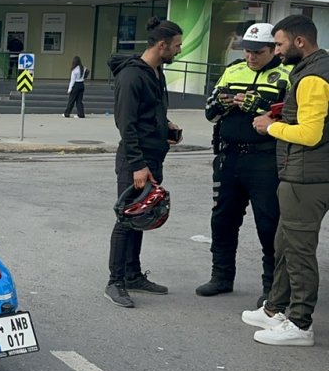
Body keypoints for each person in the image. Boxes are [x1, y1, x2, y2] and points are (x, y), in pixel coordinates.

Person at [244, 14, 329, 346]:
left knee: (298, 250)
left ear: (299, 42)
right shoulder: (317, 69)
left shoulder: (312, 77)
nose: (275, 50)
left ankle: (300, 323)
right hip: (307, 172)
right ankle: (274, 309)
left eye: (278, 44)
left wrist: (271, 126)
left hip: (306, 175)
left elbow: (310, 134)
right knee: (285, 243)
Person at [196, 23, 291, 305]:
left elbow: (294, 119)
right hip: (229, 156)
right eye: (247, 51)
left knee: (269, 224)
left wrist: (258, 107)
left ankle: (271, 288)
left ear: (273, 49)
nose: (250, 57)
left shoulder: (287, 74)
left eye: (257, 52)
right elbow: (210, 114)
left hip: (266, 158)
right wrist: (222, 104)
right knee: (223, 220)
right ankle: (221, 276)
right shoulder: (233, 70)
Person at [105, 17, 184, 308]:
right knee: (127, 220)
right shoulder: (131, 76)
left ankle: (133, 274)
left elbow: (149, 114)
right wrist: (138, 164)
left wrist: (166, 128)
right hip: (135, 160)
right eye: (176, 46)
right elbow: (125, 124)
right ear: (161, 45)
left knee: (142, 217)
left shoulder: (156, 71)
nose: (179, 51)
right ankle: (115, 282)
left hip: (153, 156)